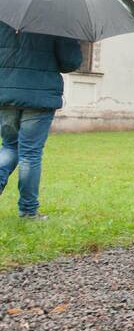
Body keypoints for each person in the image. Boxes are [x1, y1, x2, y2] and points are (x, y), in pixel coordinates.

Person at [0, 22, 82, 220]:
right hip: (39, 98)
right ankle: (28, 211)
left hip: (6, 95)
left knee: (9, 146)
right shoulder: (56, 22)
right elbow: (70, 62)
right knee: (30, 153)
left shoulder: (4, 18)